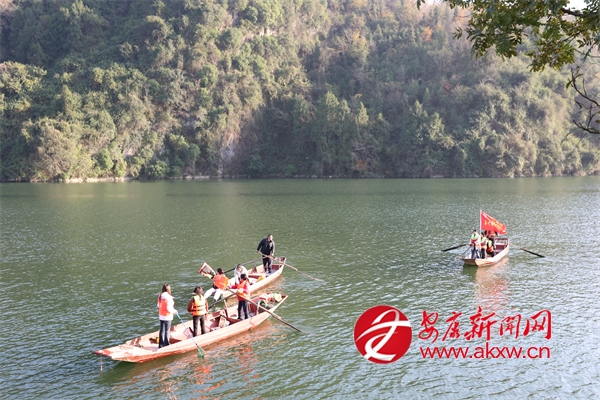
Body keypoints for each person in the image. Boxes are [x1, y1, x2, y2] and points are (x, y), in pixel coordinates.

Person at [157, 283, 178, 348]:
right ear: (169, 289)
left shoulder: (160, 296)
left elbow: (158, 305)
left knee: (162, 330)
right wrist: (175, 311)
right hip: (167, 316)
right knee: (167, 330)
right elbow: (169, 309)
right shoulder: (169, 297)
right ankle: (166, 344)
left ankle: (161, 345)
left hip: (161, 316)